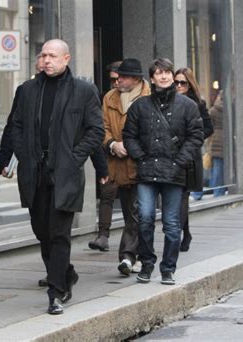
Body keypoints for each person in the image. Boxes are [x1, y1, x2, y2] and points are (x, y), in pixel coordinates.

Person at [12, 39, 104, 314]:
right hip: (36, 173)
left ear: (67, 58)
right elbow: (15, 125)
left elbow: (96, 132)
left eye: (52, 55)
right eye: (43, 55)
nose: (46, 60)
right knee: (42, 230)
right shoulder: (27, 90)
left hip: (65, 174)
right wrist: (23, 153)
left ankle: (56, 291)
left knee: (59, 232)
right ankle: (66, 273)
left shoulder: (84, 91)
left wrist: (75, 158)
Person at [122, 58, 203, 285]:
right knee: (145, 218)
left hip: (174, 172)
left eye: (167, 72)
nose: (164, 76)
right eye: (159, 73)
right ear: (152, 78)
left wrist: (180, 161)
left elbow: (196, 135)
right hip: (147, 172)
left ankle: (168, 268)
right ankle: (147, 263)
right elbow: (129, 134)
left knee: (172, 223)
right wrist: (140, 156)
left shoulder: (187, 106)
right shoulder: (140, 106)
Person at [88, 58, 151, 277]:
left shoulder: (149, 97)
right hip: (117, 164)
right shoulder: (109, 98)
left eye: (122, 77)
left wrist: (133, 147)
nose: (118, 81)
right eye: (117, 77)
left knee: (139, 213)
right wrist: (112, 144)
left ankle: (128, 256)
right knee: (129, 212)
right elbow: (101, 126)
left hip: (142, 165)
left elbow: (154, 132)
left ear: (135, 79)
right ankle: (137, 255)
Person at [174, 68, 213, 252]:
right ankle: (185, 233)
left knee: (183, 196)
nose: (179, 86)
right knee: (178, 197)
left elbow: (208, 128)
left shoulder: (197, 104)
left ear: (190, 84)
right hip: (173, 157)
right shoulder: (170, 102)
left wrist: (194, 140)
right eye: (177, 82)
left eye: (183, 83)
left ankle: (176, 235)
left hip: (190, 158)